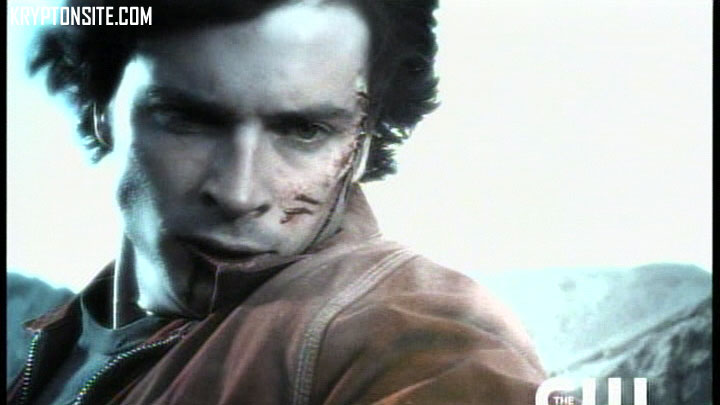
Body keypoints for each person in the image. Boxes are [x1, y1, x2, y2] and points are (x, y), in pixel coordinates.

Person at [7, 0, 546, 404]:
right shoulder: (62, 339)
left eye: (304, 131)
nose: (239, 193)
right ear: (99, 107)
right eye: (188, 119)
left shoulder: (414, 339)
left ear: (364, 145)